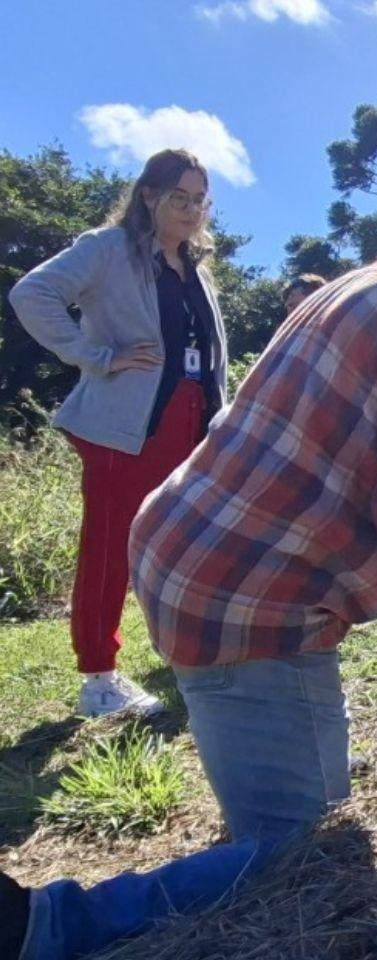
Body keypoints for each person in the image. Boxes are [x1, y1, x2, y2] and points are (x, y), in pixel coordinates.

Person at [0, 173, 377, 960]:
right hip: (255, 600)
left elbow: (361, 481)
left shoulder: (371, 283)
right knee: (305, 850)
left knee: (287, 817)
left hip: (194, 557)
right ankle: (54, 924)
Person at [9, 148, 228, 718]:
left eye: (200, 200)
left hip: (193, 425)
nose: (191, 210)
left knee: (184, 543)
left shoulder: (197, 269)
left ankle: (188, 649)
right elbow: (31, 294)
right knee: (111, 549)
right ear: (149, 196)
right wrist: (95, 355)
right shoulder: (109, 250)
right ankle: (99, 679)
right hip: (125, 427)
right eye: (179, 197)